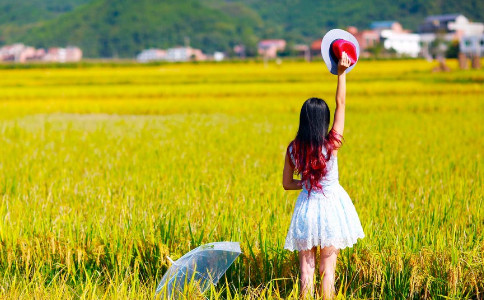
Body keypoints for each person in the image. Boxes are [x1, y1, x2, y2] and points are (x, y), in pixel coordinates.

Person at [282, 52, 365, 299]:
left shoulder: (293, 148)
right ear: (324, 121)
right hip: (331, 209)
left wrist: (307, 183)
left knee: (306, 272)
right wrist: (341, 74)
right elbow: (342, 103)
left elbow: (287, 184)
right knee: (327, 271)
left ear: (303, 120)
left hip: (306, 209)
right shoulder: (331, 144)